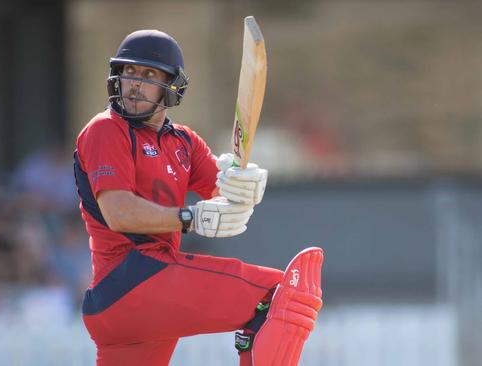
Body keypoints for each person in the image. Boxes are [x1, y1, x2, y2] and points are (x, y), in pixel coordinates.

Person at [73, 29, 324, 366]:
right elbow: (119, 213)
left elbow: (224, 197)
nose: (134, 82)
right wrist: (191, 218)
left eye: (148, 74)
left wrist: (244, 185)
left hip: (136, 304)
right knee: (282, 293)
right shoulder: (106, 129)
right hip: (132, 280)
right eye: (129, 71)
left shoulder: (184, 143)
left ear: (171, 87)